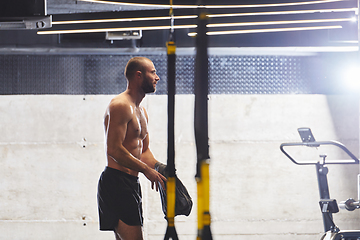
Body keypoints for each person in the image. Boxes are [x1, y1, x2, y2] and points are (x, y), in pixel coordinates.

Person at [97, 57, 167, 240]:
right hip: (116, 183)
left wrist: (162, 170)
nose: (157, 77)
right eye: (152, 72)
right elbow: (114, 149)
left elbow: (144, 152)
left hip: (131, 184)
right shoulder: (120, 105)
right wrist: (145, 170)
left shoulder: (141, 111)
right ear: (138, 75)